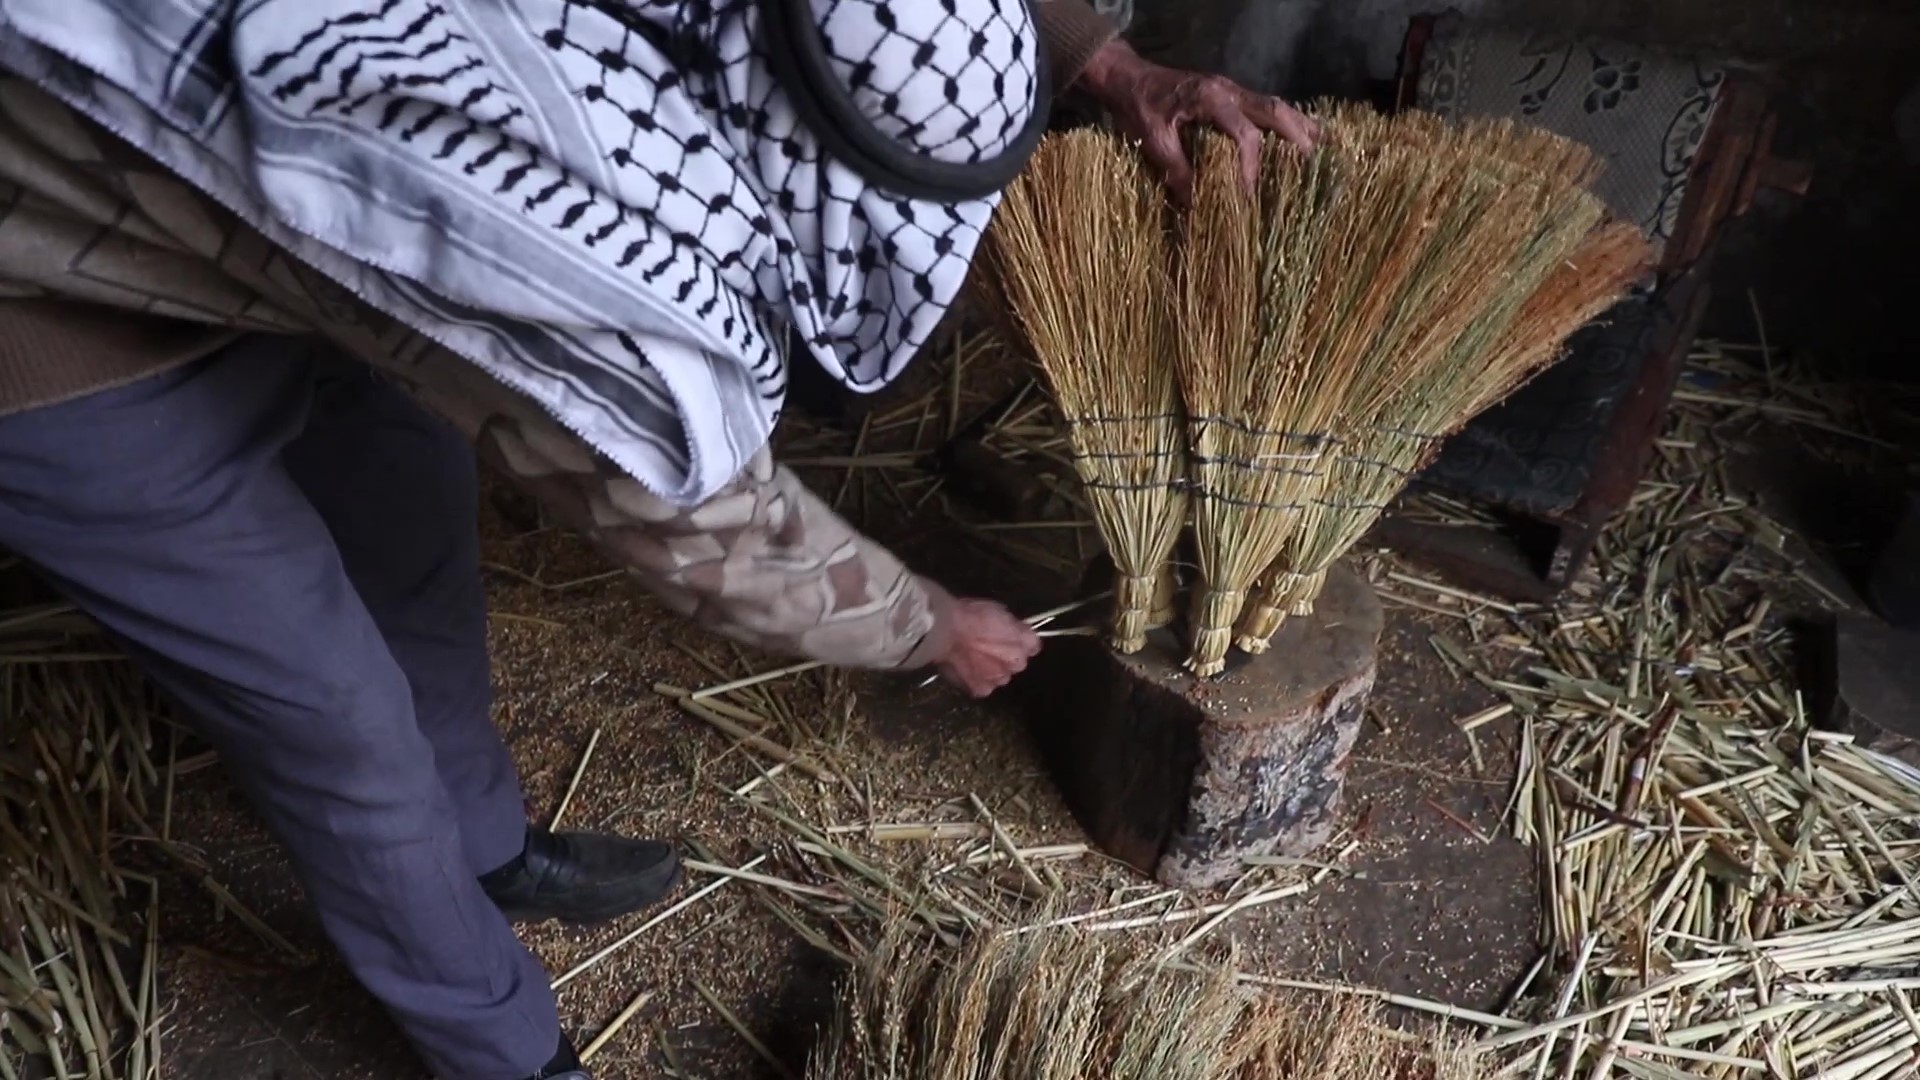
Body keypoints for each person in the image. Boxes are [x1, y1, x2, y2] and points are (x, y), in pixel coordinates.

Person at [0, 0, 1315, 1076]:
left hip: (258, 192)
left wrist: (1098, 59)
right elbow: (716, 538)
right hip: (51, 291)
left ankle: (488, 849)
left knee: (407, 495)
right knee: (338, 725)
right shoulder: (557, 219)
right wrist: (926, 623)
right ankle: (504, 1051)